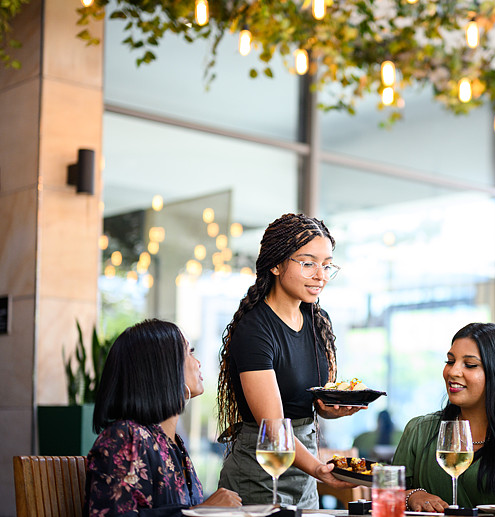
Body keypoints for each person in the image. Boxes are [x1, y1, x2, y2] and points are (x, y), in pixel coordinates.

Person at [217, 213, 360, 508]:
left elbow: (312, 404)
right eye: (308, 263)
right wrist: (319, 468)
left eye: (326, 265)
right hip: (260, 468)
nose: (320, 275)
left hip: (304, 464)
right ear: (276, 264)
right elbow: (274, 427)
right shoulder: (255, 329)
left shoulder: (319, 322)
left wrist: (335, 410)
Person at [393, 322, 495, 511]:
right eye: (450, 361)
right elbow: (386, 496)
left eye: (470, 365)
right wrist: (412, 495)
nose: (453, 371)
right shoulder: (419, 431)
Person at [85, 319, 242, 516]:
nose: (198, 362)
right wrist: (202, 512)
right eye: (189, 352)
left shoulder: (173, 444)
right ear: (163, 366)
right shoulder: (125, 437)